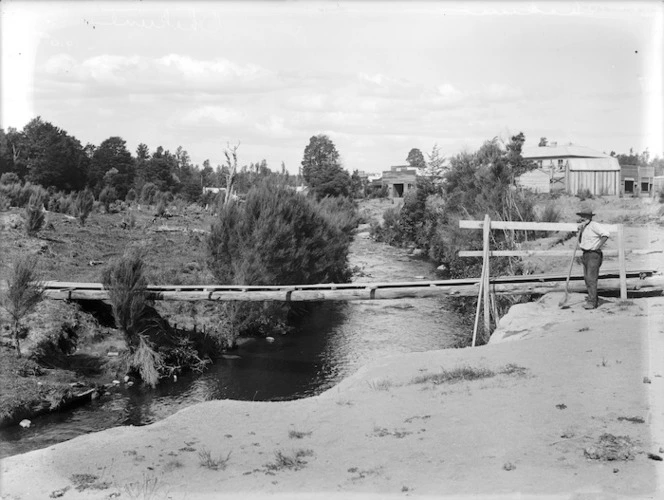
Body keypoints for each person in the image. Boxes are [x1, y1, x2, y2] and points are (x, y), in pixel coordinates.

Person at [576, 204, 610, 309]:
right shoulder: (583, 227)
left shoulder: (594, 225)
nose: (583, 218)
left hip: (593, 255)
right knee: (587, 278)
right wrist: (580, 231)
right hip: (585, 254)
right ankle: (593, 298)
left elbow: (606, 234)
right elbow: (581, 241)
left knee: (591, 278)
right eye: (582, 216)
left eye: (585, 216)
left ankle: (592, 302)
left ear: (590, 217)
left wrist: (598, 246)